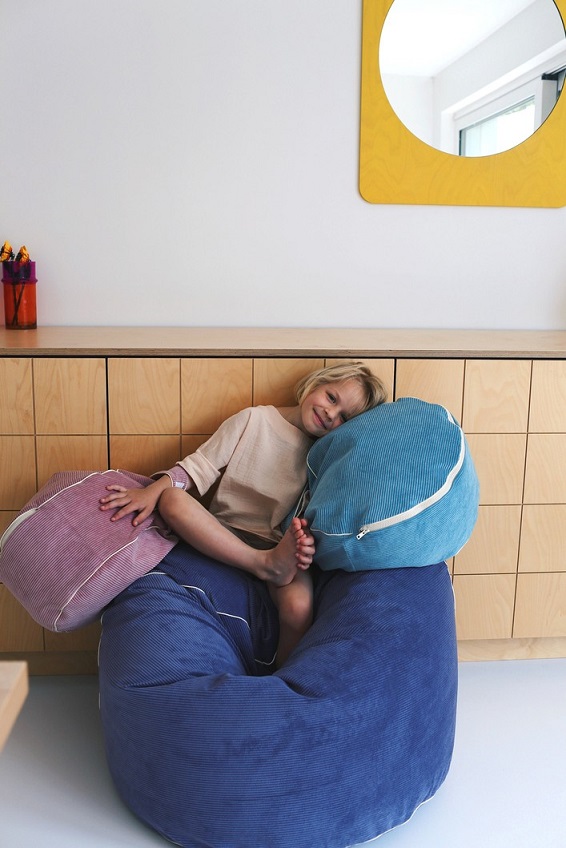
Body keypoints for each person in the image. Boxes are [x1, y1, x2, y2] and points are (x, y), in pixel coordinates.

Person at [99, 362, 387, 666]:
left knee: (298, 607)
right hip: (225, 530)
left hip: (278, 546)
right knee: (171, 499)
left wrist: (303, 547)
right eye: (331, 397)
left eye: (343, 417)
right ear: (316, 384)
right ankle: (260, 564)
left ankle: (281, 678)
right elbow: (199, 466)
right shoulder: (255, 419)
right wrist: (152, 491)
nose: (330, 413)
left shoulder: (324, 454)